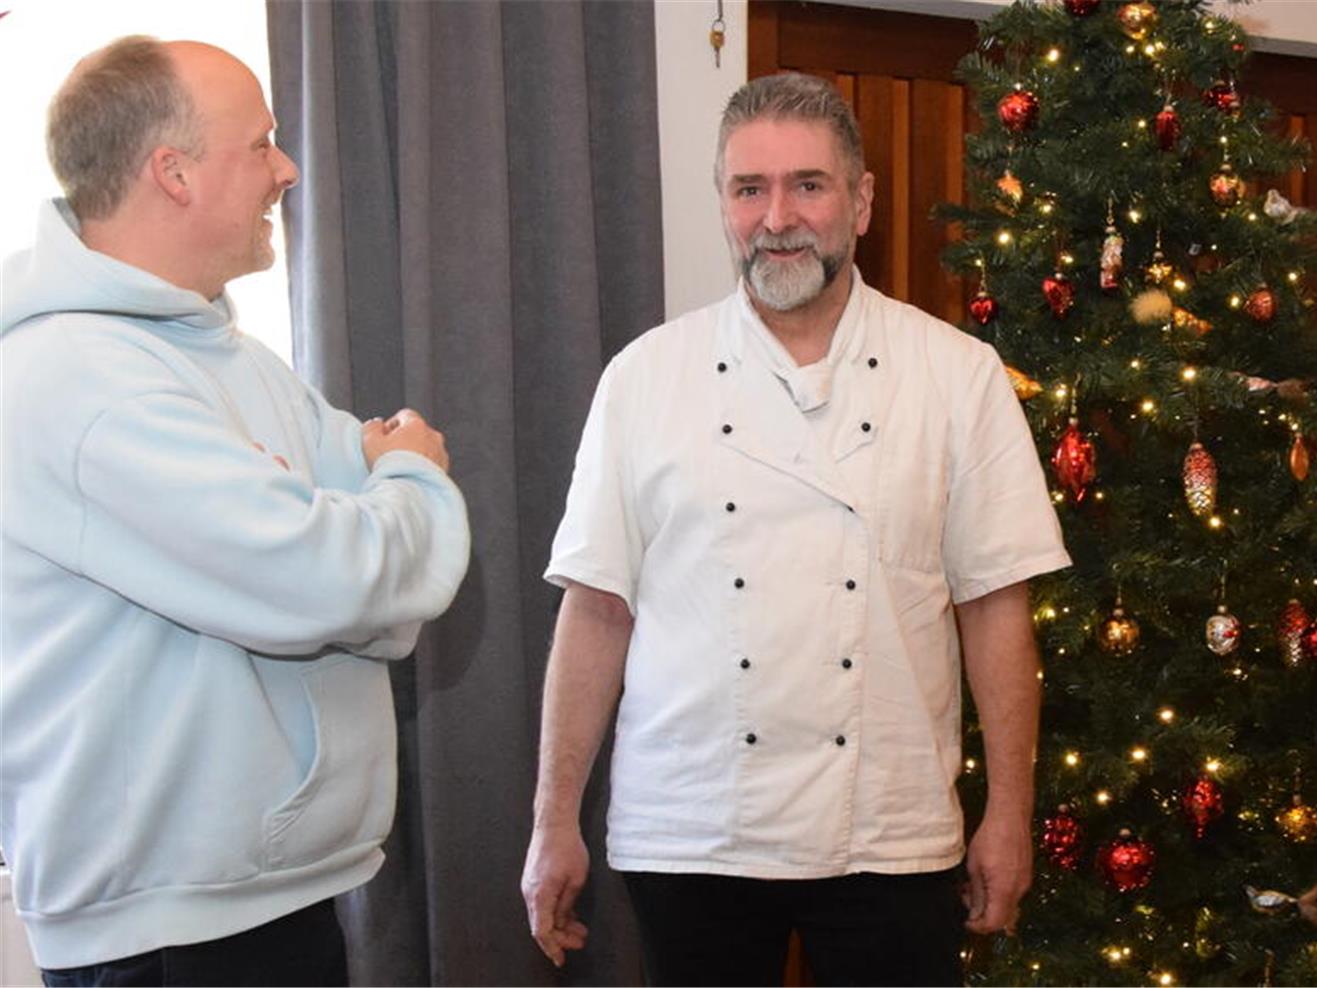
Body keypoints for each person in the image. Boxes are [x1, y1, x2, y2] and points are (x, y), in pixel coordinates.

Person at [519, 72, 1070, 985]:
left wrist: (1008, 812)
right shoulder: (645, 378)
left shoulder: (958, 377)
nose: (777, 216)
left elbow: (994, 610)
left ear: (860, 204)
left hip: (890, 832)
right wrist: (551, 822)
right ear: (725, 206)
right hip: (690, 831)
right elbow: (595, 611)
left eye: (807, 185)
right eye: (749, 189)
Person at [0, 37, 471, 986]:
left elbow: (378, 601)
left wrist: (357, 544)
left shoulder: (227, 359)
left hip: (257, 902)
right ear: (171, 172)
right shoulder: (80, 383)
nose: (288, 169)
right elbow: (334, 579)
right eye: (260, 144)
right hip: (167, 934)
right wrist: (411, 477)